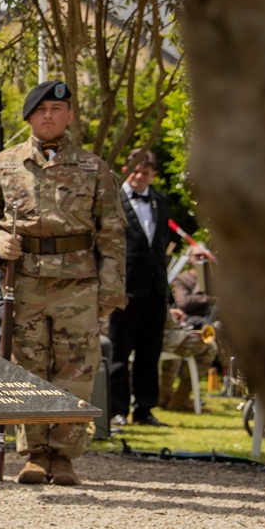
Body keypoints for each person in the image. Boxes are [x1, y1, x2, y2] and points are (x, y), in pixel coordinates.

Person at [0, 80, 126, 486]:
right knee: (29, 369)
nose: (49, 116)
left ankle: (64, 457)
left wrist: (110, 294)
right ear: (28, 117)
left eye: (57, 109)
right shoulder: (2, 165)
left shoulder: (94, 169)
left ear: (69, 116)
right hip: (24, 281)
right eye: (41, 109)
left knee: (75, 370)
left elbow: (112, 232)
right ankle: (35, 455)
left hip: (79, 283)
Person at [107, 148, 172, 428]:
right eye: (135, 170)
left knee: (150, 353)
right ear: (126, 170)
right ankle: (117, 409)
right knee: (119, 352)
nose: (140, 175)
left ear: (153, 174)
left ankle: (144, 409)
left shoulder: (160, 201)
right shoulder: (113, 200)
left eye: (146, 171)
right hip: (124, 287)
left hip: (155, 289)